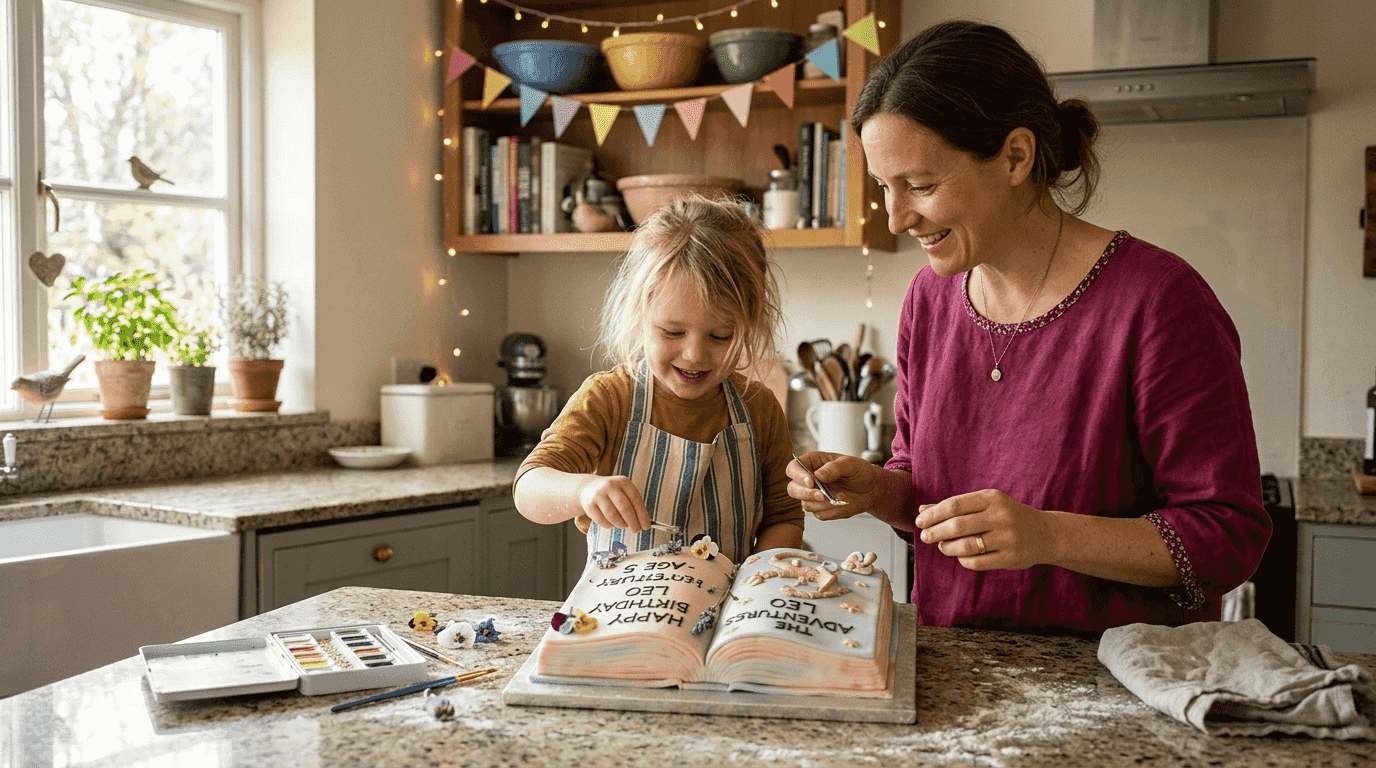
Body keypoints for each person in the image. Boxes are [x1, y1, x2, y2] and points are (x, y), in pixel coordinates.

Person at [787, 20, 1270, 634]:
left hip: (1116, 689)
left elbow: (1228, 535)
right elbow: (925, 489)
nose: (898, 216)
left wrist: (1049, 534)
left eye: (921, 185)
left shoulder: (1159, 302)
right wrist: (879, 491)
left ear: (1016, 156)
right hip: (954, 670)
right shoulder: (928, 300)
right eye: (885, 188)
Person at [514, 195, 804, 563]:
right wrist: (584, 490)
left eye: (721, 336)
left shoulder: (758, 409)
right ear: (640, 314)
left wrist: (757, 581)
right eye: (672, 332)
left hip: (728, 614)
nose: (694, 354)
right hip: (620, 615)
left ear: (751, 325)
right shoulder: (609, 399)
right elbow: (529, 487)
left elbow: (784, 518)